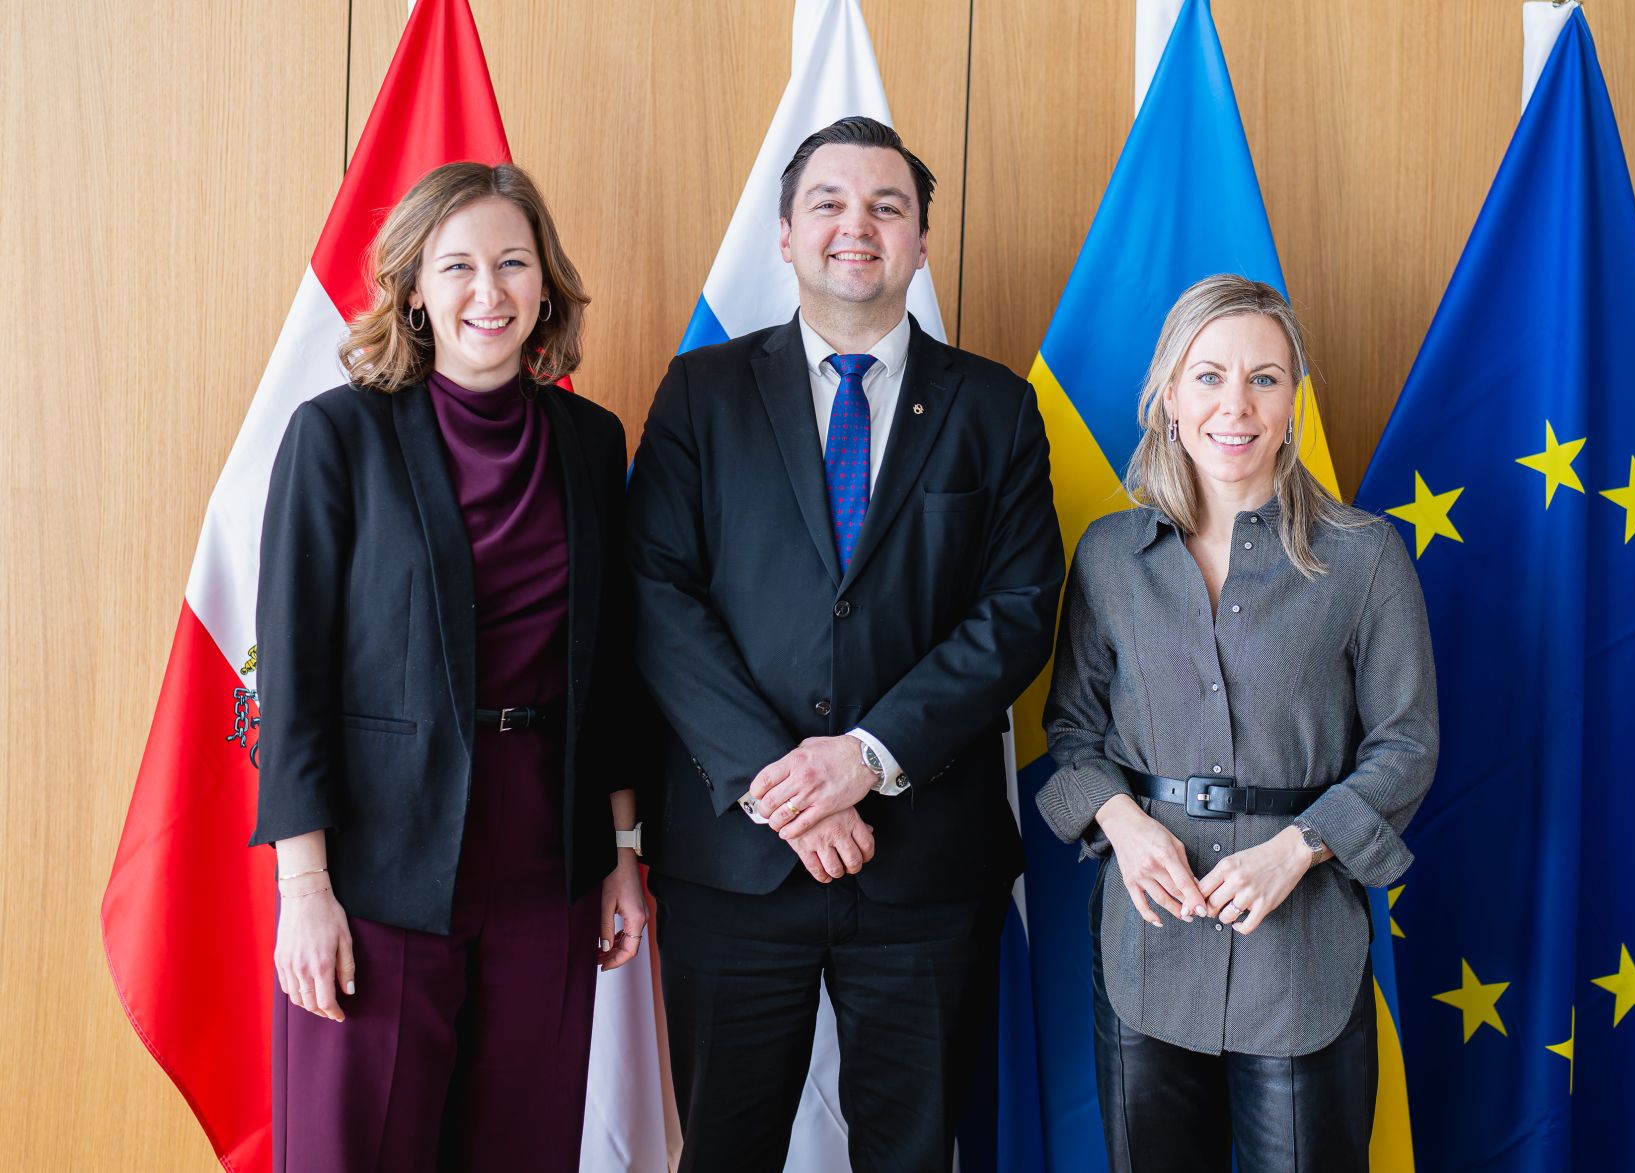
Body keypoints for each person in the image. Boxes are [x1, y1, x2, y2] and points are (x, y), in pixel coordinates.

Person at [627, 115, 1064, 1172]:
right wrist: (782, 784)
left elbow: (1015, 611)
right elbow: (656, 595)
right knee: (722, 1150)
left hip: (923, 869)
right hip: (736, 860)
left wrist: (860, 761)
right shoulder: (702, 393)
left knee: (912, 1155)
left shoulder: (995, 408)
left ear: (919, 241)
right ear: (784, 233)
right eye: (826, 203)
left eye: (886, 207)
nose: (854, 227)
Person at [249, 161, 648, 1173]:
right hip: (378, 866)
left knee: (519, 1150)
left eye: (513, 263)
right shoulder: (337, 435)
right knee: (358, 1150)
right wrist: (305, 887)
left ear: (544, 284)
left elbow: (609, 672)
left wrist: (623, 852)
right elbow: (291, 679)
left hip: (546, 862)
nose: (489, 290)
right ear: (413, 287)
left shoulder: (592, 443)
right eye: (458, 265)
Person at [1036, 275, 1438, 1173]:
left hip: (1302, 953)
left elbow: (1406, 744)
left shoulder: (1365, 556)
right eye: (1209, 375)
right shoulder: (1108, 555)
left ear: (1293, 401)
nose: (1237, 403)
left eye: (1265, 378)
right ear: (1170, 398)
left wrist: (1299, 847)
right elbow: (1070, 731)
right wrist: (1123, 823)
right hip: (1148, 945)